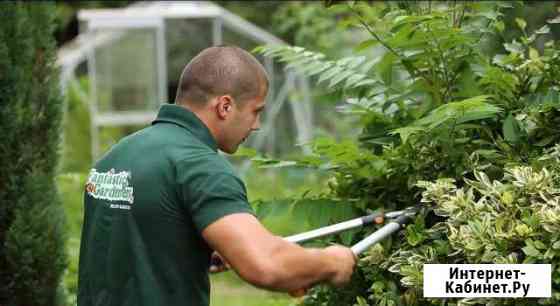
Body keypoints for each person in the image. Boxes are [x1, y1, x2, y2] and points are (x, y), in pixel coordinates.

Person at [77, 45, 356, 306]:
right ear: (225, 106)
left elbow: (139, 240)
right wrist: (332, 262)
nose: (257, 125)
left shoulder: (115, 157)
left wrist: (196, 247)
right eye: (256, 111)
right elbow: (266, 264)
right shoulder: (200, 166)